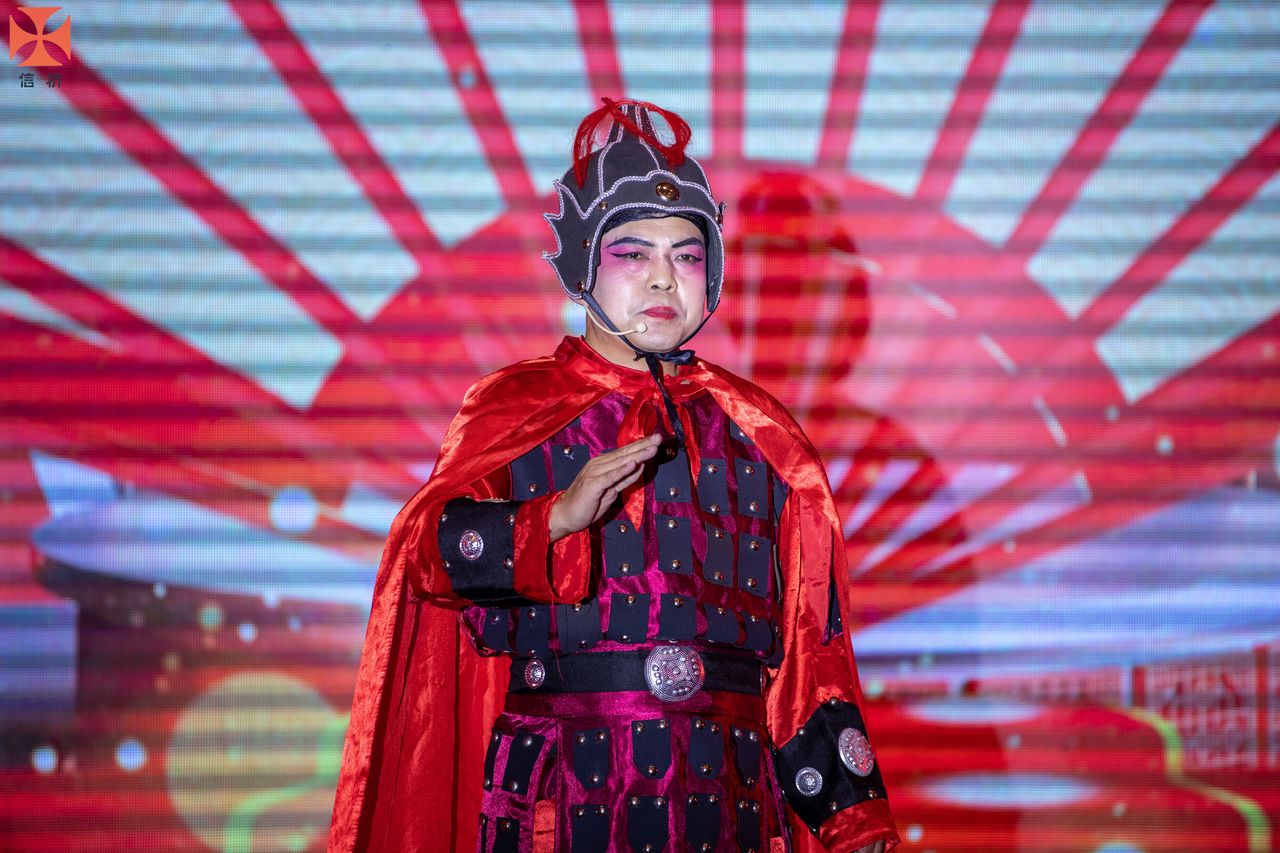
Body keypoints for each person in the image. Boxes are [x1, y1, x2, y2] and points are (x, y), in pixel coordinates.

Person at [328, 99, 899, 853]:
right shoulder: (517, 406)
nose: (663, 279)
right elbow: (423, 559)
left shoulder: (763, 435)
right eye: (633, 254)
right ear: (582, 265)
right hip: (560, 794)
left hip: (729, 800)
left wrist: (853, 819)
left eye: (686, 257)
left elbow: (805, 658)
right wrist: (552, 520)